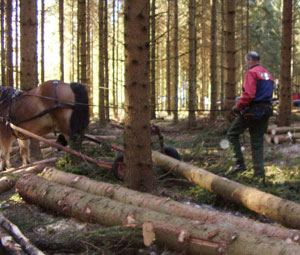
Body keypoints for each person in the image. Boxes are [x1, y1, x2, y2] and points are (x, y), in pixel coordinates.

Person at [227, 51, 274, 181]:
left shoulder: (251, 73)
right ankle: (259, 174)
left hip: (253, 111)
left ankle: (239, 163)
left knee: (232, 133)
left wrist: (238, 107)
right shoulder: (269, 75)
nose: (246, 64)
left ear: (251, 60)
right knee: (257, 141)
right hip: (266, 111)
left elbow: (249, 95)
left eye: (246, 61)